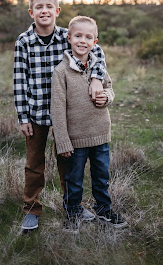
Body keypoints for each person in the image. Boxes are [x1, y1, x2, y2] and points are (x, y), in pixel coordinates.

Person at [14, 0, 106, 233]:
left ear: (57, 11)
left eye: (49, 7)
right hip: (36, 115)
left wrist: (96, 78)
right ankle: (32, 210)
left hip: (68, 115)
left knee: (69, 163)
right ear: (31, 12)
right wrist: (23, 116)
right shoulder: (24, 41)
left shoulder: (68, 36)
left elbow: (97, 51)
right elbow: (19, 80)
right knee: (35, 164)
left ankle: (72, 206)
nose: (44, 11)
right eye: (39, 8)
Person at [51, 16, 127, 233]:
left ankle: (103, 209)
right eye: (78, 36)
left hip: (101, 134)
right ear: (69, 38)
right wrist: (63, 141)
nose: (82, 41)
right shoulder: (61, 72)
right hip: (76, 139)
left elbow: (110, 88)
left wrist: (107, 97)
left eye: (88, 37)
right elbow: (57, 109)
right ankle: (73, 212)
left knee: (101, 176)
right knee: (74, 179)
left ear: (95, 41)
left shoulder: (99, 67)